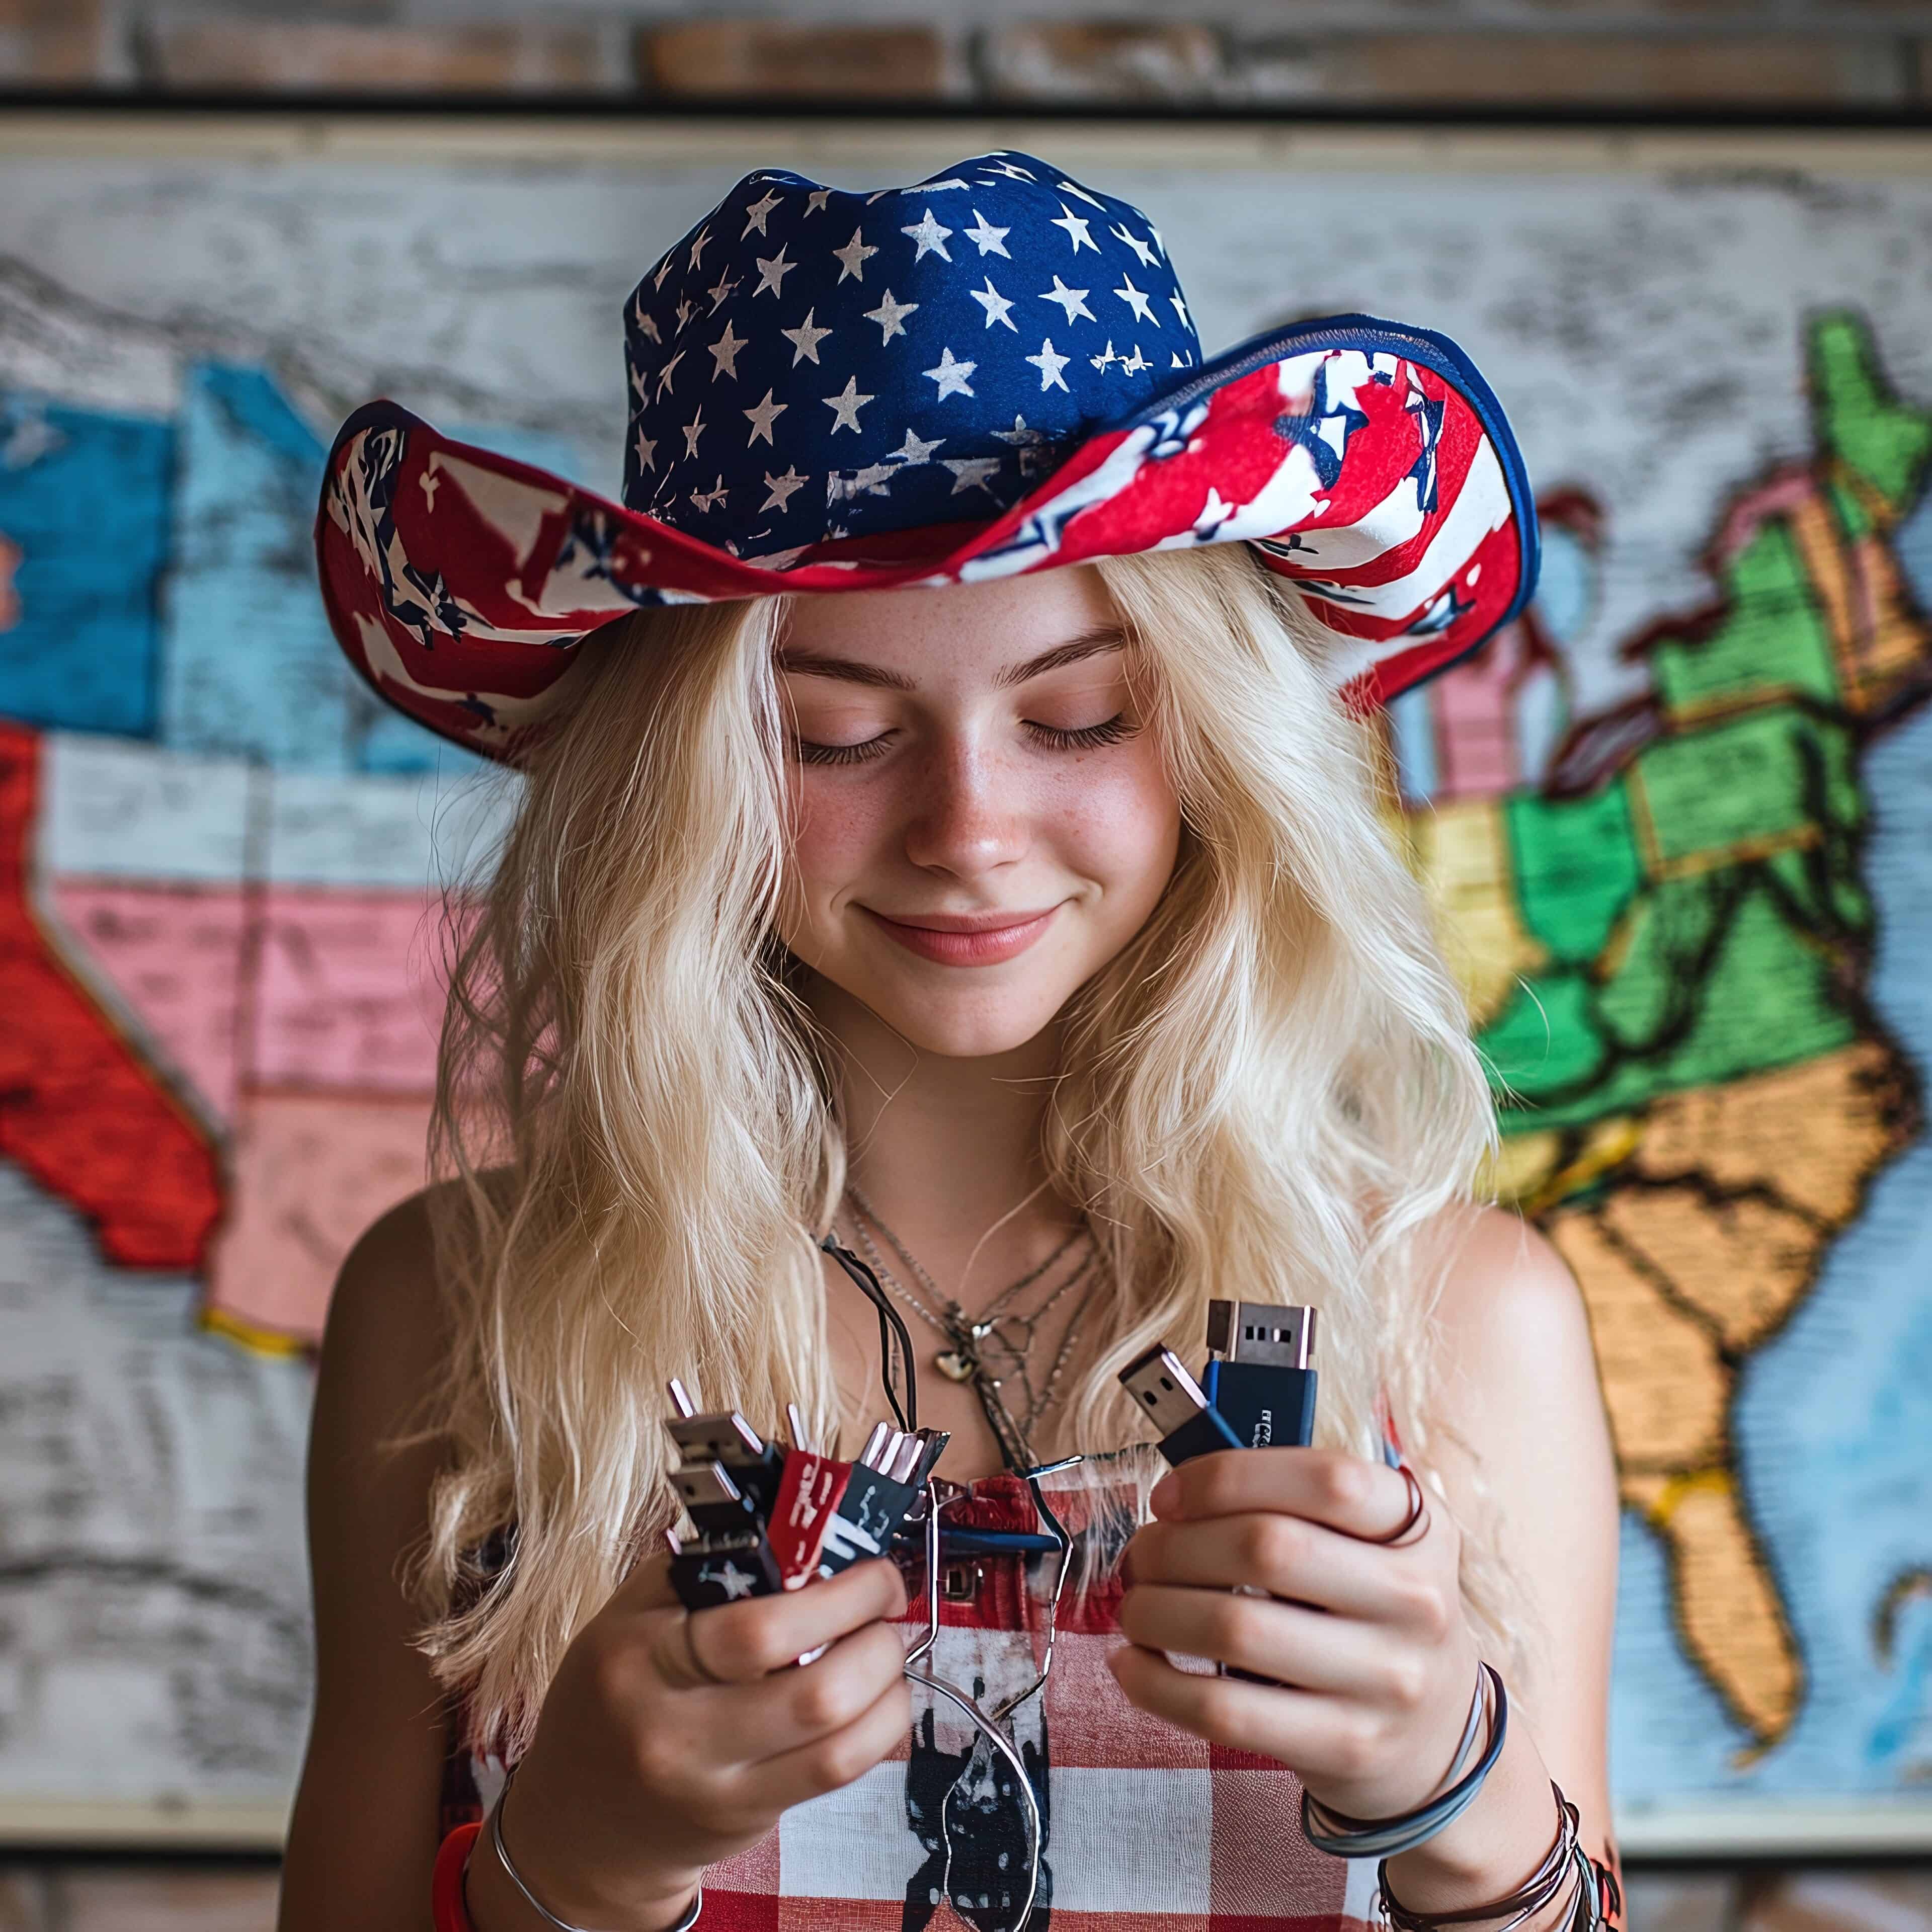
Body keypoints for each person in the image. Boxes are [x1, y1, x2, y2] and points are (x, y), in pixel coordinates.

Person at [281, 149, 1621, 1932]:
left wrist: (1453, 1785)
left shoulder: (1462, 1329)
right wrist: (567, 1874)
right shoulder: (457, 1312)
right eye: (833, 736)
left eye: (1077, 718)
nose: (969, 830)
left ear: (1217, 752)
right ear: (682, 795)